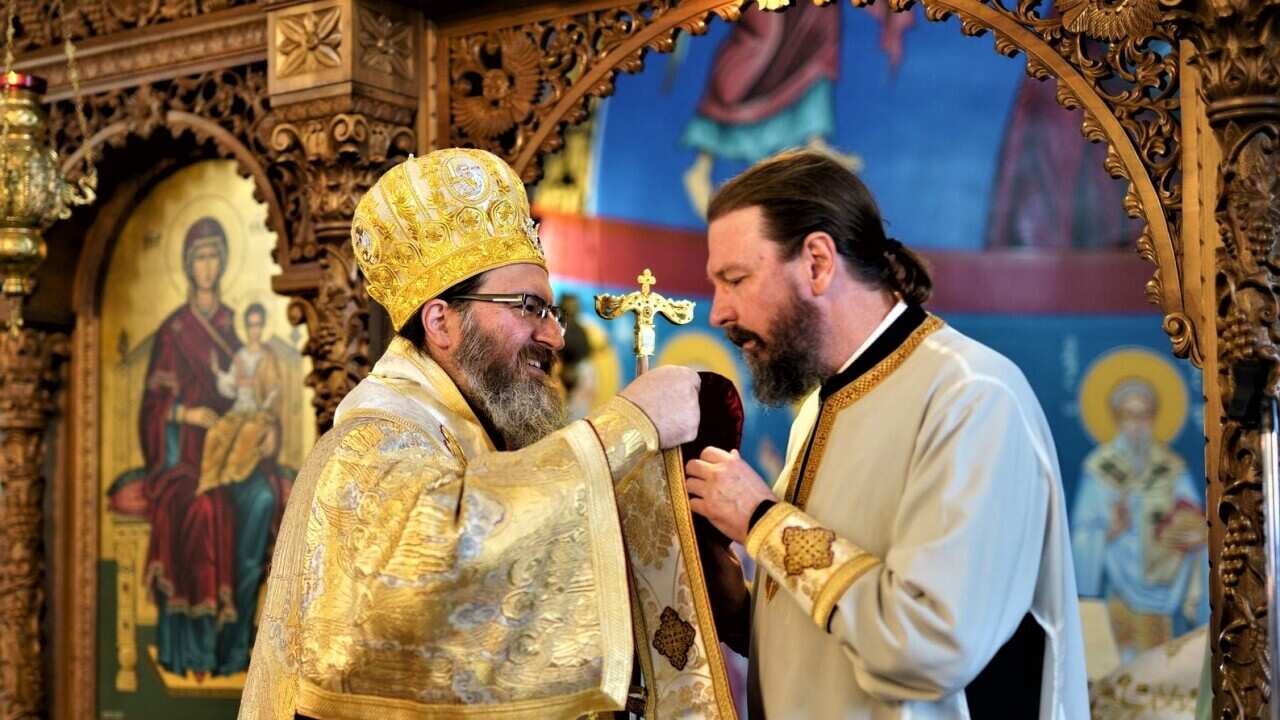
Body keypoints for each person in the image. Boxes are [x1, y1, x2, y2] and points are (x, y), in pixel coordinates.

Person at [239, 148, 737, 719]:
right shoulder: (367, 447)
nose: (552, 337)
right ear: (440, 321)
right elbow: (444, 566)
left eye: (553, 313)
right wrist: (629, 426)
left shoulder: (483, 438)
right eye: (528, 307)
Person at [684, 150, 1089, 718]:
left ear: (818, 263)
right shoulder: (821, 406)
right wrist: (739, 611)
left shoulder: (971, 397)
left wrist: (760, 520)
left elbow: (929, 644)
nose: (719, 312)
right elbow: (846, 638)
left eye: (735, 280)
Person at [137, 218, 284, 677]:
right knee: (203, 510)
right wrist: (184, 415)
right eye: (199, 256)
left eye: (214, 255)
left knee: (261, 500)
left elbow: (250, 390)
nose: (207, 265)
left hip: (232, 451)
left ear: (223, 263)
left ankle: (238, 644)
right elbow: (152, 407)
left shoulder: (230, 327)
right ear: (187, 264)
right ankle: (195, 652)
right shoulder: (174, 331)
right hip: (183, 459)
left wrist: (266, 431)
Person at [1072, 379, 1207, 664]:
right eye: (1128, 415)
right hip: (1118, 587)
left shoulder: (1171, 466)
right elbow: (1081, 535)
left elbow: (1196, 521)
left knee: (1164, 666)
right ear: (1117, 418)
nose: (1136, 423)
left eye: (1143, 414)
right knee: (1122, 665)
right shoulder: (1099, 468)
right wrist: (1112, 530)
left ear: (1153, 417)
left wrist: (1196, 537)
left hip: (1167, 585)